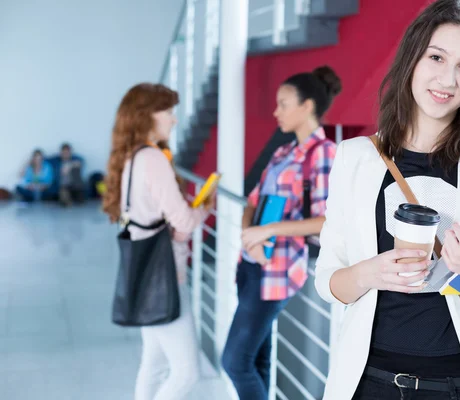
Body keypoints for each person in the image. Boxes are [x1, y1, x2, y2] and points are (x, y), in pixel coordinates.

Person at [314, 1, 460, 399]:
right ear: (413, 59)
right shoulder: (355, 157)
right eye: (436, 57)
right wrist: (370, 273)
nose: (447, 79)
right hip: (369, 382)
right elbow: (328, 283)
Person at [221, 66, 341, 400]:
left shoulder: (324, 154)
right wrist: (251, 237)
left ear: (306, 107)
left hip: (279, 271)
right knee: (255, 357)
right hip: (251, 262)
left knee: (234, 361)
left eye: (284, 103)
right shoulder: (282, 152)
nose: (276, 111)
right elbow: (253, 200)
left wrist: (269, 230)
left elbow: (326, 220)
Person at [102, 83, 214, 400]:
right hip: (165, 276)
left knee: (152, 365)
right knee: (186, 373)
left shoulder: (131, 157)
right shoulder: (152, 158)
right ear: (146, 116)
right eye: (167, 112)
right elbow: (181, 221)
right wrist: (203, 209)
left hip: (146, 270)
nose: (173, 120)